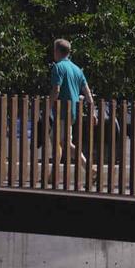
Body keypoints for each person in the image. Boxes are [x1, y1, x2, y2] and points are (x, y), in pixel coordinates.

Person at [47, 38, 94, 182]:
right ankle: (89, 169)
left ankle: (55, 174)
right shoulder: (77, 69)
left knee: (56, 141)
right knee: (64, 143)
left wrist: (48, 107)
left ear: (57, 51)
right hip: (72, 112)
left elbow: (56, 89)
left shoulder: (58, 67)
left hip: (62, 111)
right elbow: (88, 94)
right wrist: (92, 112)